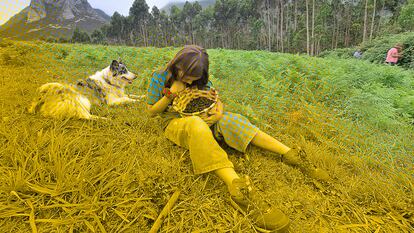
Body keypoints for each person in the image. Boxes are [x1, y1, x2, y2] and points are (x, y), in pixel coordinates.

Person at [146, 45, 328, 232]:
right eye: (187, 74)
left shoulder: (198, 80)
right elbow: (151, 111)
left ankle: (290, 154)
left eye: (195, 77)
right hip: (177, 123)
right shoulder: (160, 76)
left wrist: (218, 114)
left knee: (232, 119)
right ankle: (239, 191)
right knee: (196, 125)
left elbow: (215, 99)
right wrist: (170, 94)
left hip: (206, 117)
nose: (190, 80)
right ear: (177, 64)